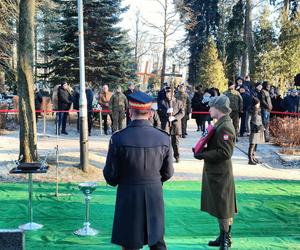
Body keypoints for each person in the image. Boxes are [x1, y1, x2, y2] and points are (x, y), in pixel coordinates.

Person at [103, 91, 174, 250]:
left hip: (128, 194)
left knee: (130, 243)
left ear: (129, 112)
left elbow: (110, 176)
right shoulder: (163, 137)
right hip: (154, 193)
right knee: (156, 240)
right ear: (150, 113)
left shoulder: (118, 138)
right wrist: (154, 180)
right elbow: (168, 172)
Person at [194, 94, 237, 250]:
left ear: (218, 108)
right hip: (216, 172)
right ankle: (223, 236)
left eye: (211, 106)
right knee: (221, 206)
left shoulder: (225, 126)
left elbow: (225, 153)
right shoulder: (221, 123)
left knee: (223, 208)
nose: (209, 109)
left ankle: (226, 239)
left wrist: (203, 154)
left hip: (220, 173)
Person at [159, 87, 185, 163]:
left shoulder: (179, 102)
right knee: (165, 142)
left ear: (173, 93)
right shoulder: (162, 102)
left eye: (170, 93)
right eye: (167, 93)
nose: (168, 94)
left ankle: (177, 156)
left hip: (175, 124)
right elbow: (160, 111)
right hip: (166, 124)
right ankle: (164, 157)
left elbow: (182, 112)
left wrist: (174, 117)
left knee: (175, 142)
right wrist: (167, 114)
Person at [248, 97, 264, 165]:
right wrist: (249, 130)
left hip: (258, 128)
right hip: (253, 128)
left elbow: (260, 119)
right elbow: (248, 120)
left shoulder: (258, 110)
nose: (259, 104)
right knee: (252, 144)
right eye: (258, 103)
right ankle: (250, 159)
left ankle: (253, 157)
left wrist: (262, 127)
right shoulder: (251, 110)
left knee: (256, 143)